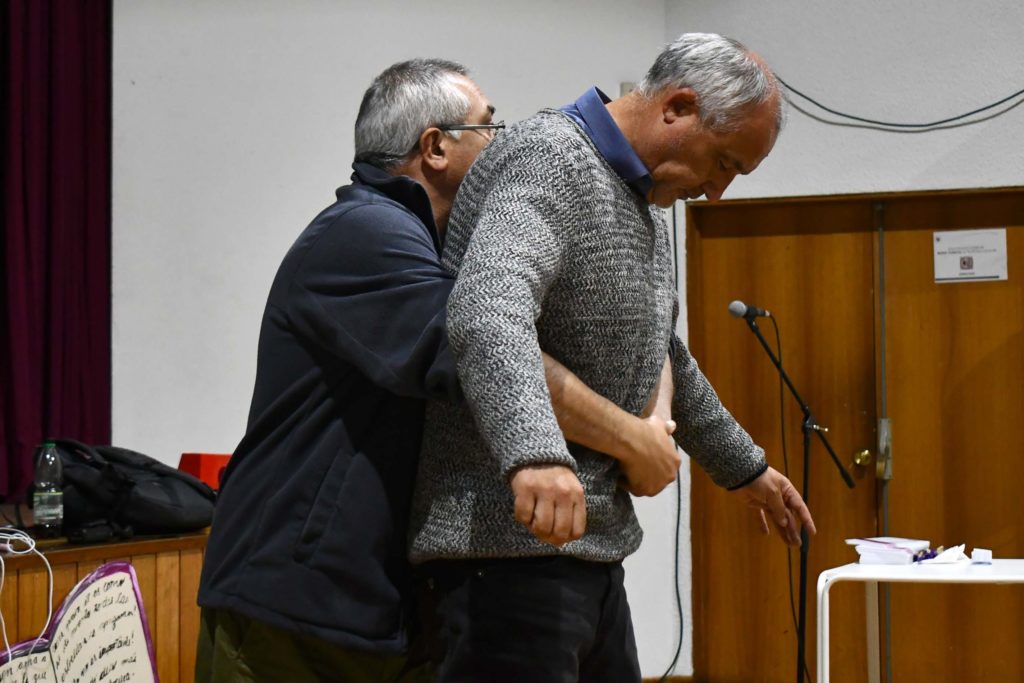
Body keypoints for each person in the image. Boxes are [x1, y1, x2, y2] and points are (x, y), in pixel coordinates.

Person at [195, 59, 681, 683]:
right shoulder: (365, 234)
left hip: (373, 604)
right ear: (435, 147)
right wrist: (634, 440)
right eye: (489, 126)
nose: (504, 141)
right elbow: (490, 354)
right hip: (294, 600)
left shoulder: (430, 245)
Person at [408, 33, 817, 682]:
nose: (717, 192)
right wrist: (536, 452)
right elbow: (487, 307)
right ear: (677, 107)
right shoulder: (550, 157)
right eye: (723, 163)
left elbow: (663, 352)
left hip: (590, 555)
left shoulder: (641, 203)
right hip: (504, 553)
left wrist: (747, 469)